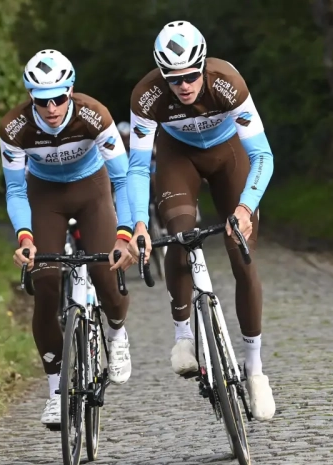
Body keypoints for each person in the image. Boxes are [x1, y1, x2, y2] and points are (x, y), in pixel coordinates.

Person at [125, 21, 276, 421]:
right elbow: (138, 168)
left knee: (241, 255)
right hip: (178, 157)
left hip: (230, 156)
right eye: (175, 79)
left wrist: (243, 209)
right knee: (179, 236)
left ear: (203, 66)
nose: (185, 85)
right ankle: (182, 335)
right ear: (161, 74)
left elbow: (263, 155)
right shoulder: (147, 95)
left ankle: (255, 368)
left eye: (192, 75)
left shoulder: (227, 82)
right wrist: (138, 222)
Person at [0, 49, 136, 426]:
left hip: (93, 191)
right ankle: (56, 391)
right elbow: (14, 190)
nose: (52, 108)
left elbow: (123, 179)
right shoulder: (14, 128)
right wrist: (25, 237)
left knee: (107, 273)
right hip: (45, 196)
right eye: (42, 101)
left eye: (60, 98)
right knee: (44, 284)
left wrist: (124, 234)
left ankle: (117, 332)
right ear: (31, 98)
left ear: (71, 90)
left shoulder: (95, 115)